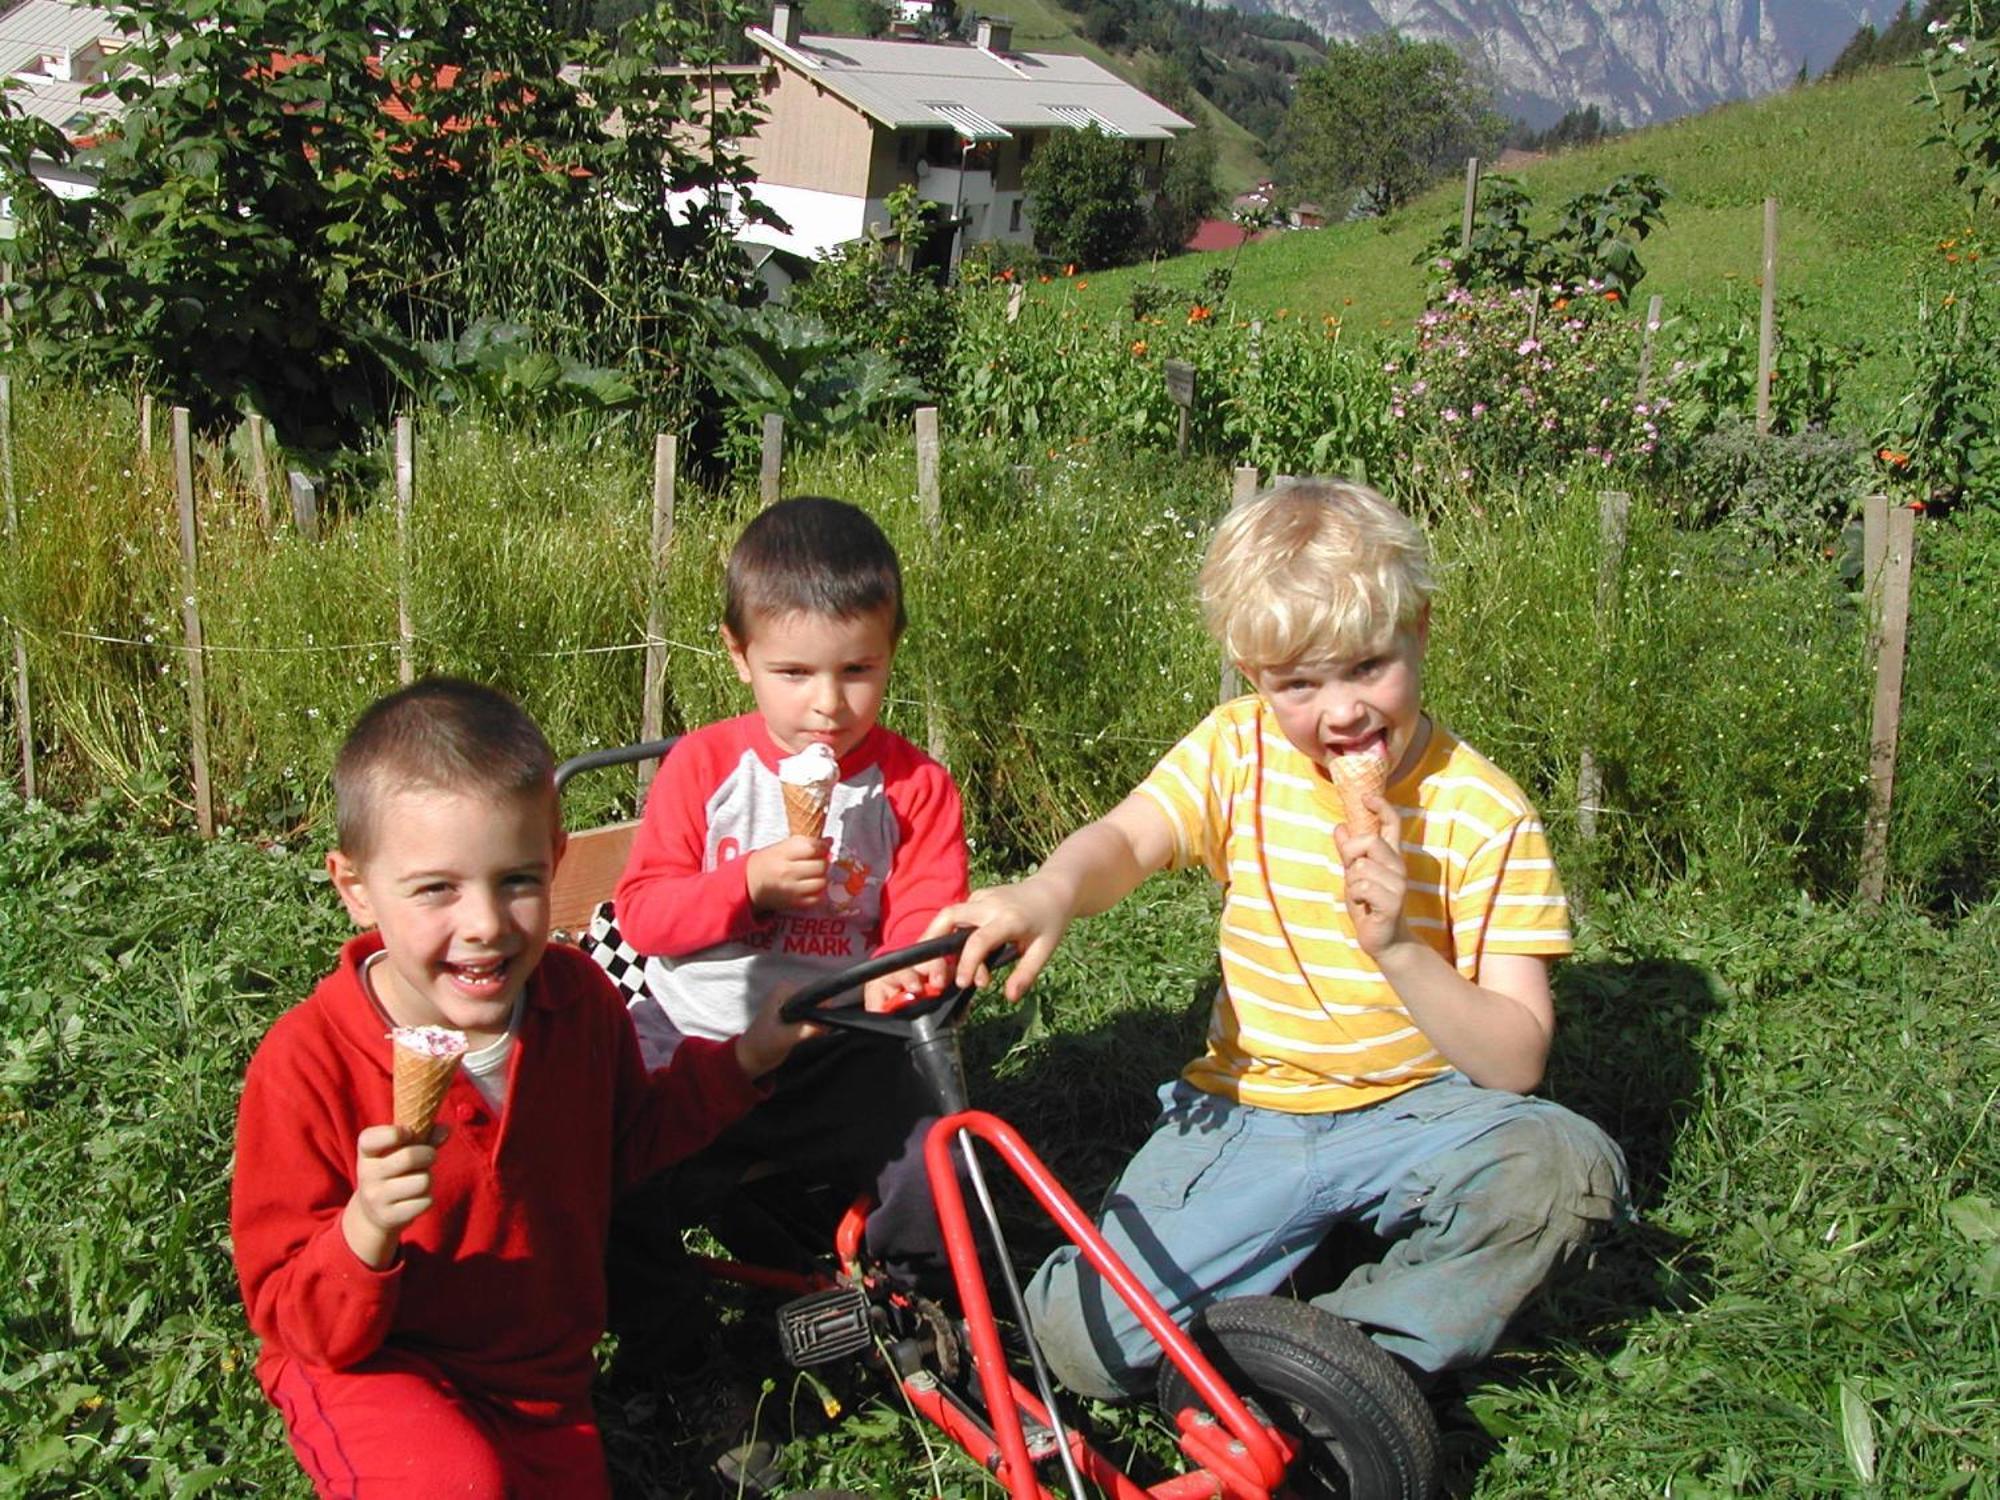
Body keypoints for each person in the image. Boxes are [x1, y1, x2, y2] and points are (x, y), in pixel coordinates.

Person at [930, 478, 1630, 1401]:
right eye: (1299, 683)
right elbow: (1130, 839)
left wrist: (1402, 950)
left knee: (1565, 1172)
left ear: (1421, 629)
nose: (1340, 713)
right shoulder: (1239, 751)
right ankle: (1297, 1307)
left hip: (1426, 1108)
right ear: (1252, 673)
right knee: (1078, 1340)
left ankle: (1338, 1358)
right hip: (1256, 1109)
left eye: (1368, 666)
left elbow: (1516, 1060)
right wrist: (1050, 889)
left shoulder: (1484, 812)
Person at [230, 677, 810, 1498]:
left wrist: (744, 1059)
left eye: (517, 881)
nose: (486, 924)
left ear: (558, 859)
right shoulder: (307, 1065)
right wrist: (365, 1227)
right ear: (355, 886)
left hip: (540, 1385)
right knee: (455, 1484)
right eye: (437, 888)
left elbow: (628, 1145)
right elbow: (291, 1316)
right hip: (375, 1366)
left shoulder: (577, 1003)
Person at [611, 496, 970, 1293]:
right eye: (794, 673)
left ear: (891, 651)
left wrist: (901, 968)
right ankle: (658, 1320)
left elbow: (925, 912)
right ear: (739, 655)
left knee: (935, 1148)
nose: (827, 705)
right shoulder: (704, 769)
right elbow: (642, 916)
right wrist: (747, 885)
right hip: (700, 1043)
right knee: (613, 1166)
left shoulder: (916, 787)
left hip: (836, 1050)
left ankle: (912, 1298)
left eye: (857, 671)